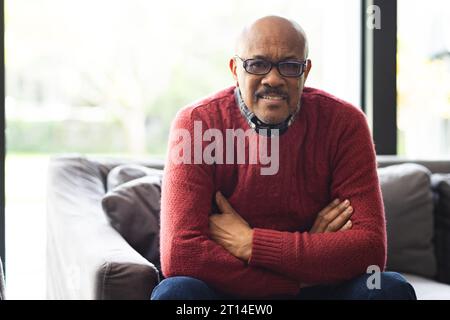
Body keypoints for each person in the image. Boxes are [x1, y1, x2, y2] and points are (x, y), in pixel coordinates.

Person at [151, 15, 416, 300]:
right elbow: (181, 254)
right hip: (238, 294)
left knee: (389, 289)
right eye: (257, 64)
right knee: (176, 293)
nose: (273, 79)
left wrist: (252, 244)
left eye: (290, 66)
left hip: (322, 292)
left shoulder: (345, 123)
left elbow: (369, 249)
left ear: (306, 71)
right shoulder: (197, 123)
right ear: (235, 69)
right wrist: (292, 285)